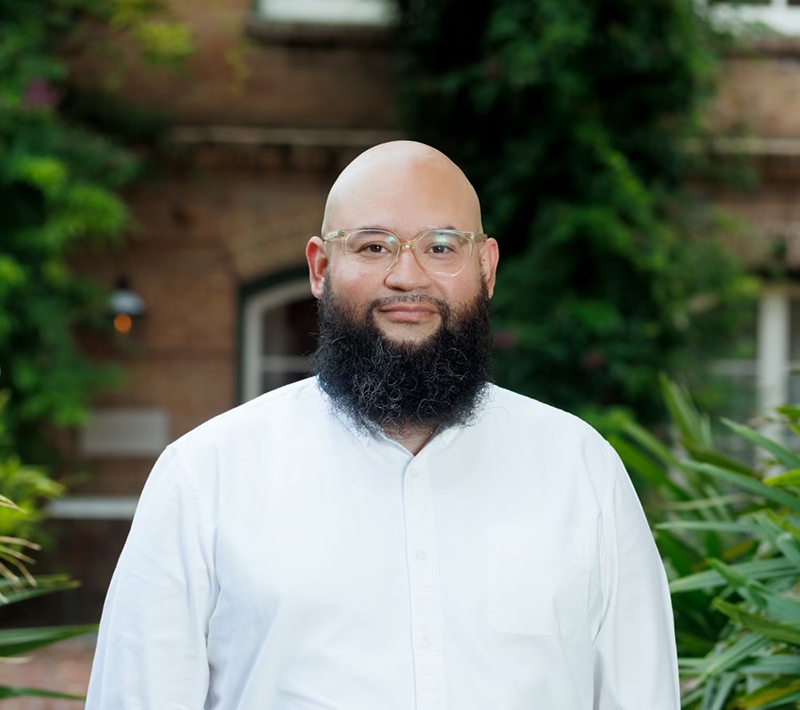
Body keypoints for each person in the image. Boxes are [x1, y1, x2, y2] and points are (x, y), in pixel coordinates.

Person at [86, 140, 680, 709]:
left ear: (487, 267)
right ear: (320, 267)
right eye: (374, 247)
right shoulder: (204, 478)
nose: (408, 277)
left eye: (442, 246)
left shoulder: (581, 469)